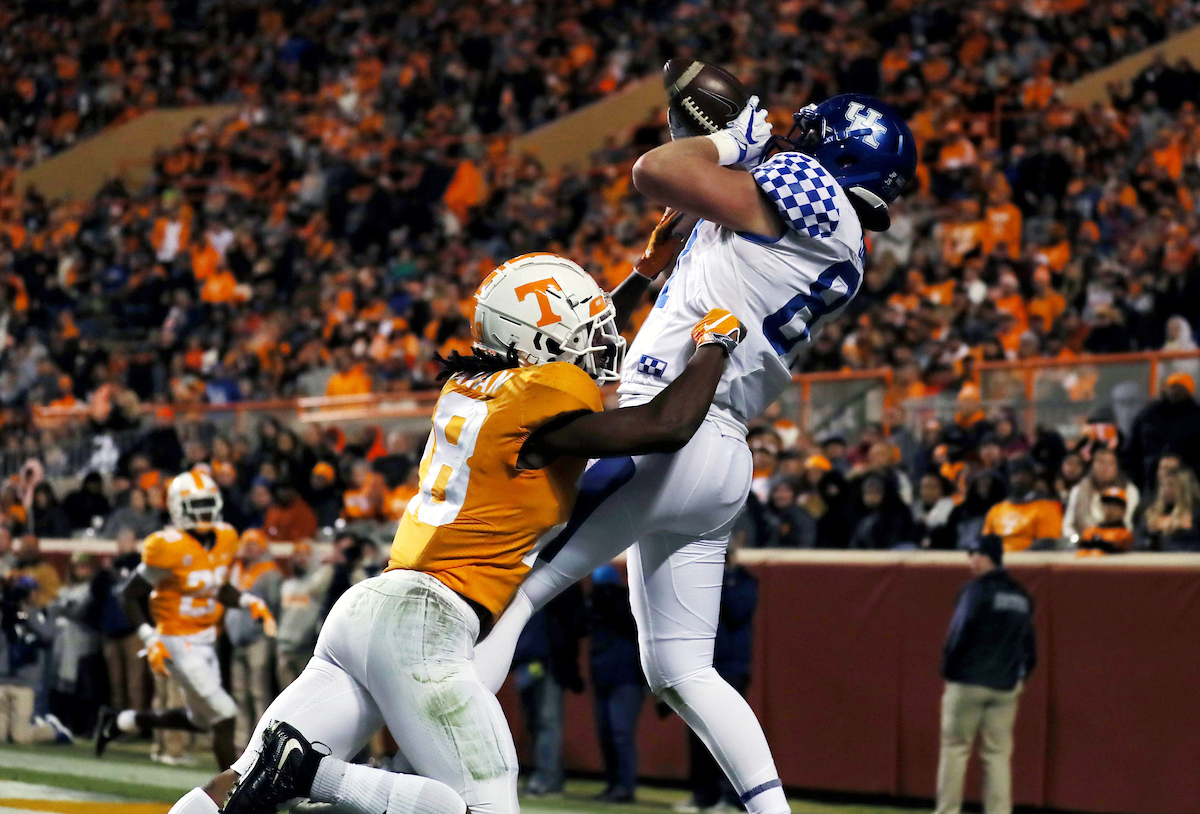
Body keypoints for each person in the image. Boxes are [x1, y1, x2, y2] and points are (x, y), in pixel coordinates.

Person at [168, 252, 747, 814]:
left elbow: (564, 351)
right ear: (540, 348)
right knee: (478, 807)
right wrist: (715, 343)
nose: (599, 341)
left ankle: (302, 773)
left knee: (239, 784)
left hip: (369, 609)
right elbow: (666, 425)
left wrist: (643, 273)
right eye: (585, 332)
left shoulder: (473, 388)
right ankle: (310, 772)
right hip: (426, 620)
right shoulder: (539, 405)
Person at [475, 94, 916, 814]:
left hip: (667, 432)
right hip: (722, 454)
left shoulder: (813, 194)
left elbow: (654, 169)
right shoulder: (835, 245)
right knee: (683, 669)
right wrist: (651, 268)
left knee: (516, 592)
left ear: (839, 154)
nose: (794, 143)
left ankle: (463, 789)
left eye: (811, 135)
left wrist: (730, 143)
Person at [94, 472, 277, 771]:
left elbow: (217, 587)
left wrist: (248, 602)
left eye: (207, 504)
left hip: (206, 639)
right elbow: (129, 594)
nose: (203, 512)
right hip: (176, 639)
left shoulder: (226, 538)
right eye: (196, 505)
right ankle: (232, 788)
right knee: (225, 713)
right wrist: (149, 637)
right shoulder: (167, 546)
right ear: (178, 507)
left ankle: (120, 721)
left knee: (201, 720)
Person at [935, 535, 1037, 814]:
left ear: (990, 556)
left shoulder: (975, 591)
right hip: (1005, 686)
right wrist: (1019, 678)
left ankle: (947, 811)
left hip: (968, 682)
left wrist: (948, 670)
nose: (972, 559)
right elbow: (1029, 646)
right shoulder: (1020, 594)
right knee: (997, 755)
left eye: (976, 553)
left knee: (955, 749)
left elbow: (958, 633)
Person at [677, 545, 759, 814]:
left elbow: (737, 611)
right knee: (699, 734)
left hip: (731, 668)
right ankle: (704, 796)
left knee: (728, 736)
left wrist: (727, 576)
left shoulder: (745, 582)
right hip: (702, 666)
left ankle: (731, 798)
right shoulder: (701, 581)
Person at [511, 585, 584, 797]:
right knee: (535, 723)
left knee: (546, 722)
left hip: (549, 662)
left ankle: (546, 779)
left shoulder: (560, 584)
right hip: (526, 662)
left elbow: (574, 622)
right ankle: (548, 777)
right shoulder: (525, 581)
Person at [587, 566, 645, 803]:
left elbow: (630, 625)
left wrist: (612, 599)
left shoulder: (627, 602)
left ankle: (625, 787)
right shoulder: (594, 605)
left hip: (626, 677)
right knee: (606, 734)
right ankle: (613, 784)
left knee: (621, 733)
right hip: (603, 677)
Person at [225, 528, 282, 745]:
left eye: (253, 544)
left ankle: (261, 743)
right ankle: (241, 743)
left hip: (258, 639)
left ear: (262, 547)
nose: (248, 548)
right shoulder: (235, 569)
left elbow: (275, 606)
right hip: (237, 640)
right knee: (239, 694)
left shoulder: (269, 572)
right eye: (246, 543)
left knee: (259, 693)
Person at [1124, 372, 1200, 490]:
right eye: (1173, 386)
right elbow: (1131, 453)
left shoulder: (1196, 416)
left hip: (1191, 487)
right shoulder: (1148, 416)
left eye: (1181, 387)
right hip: (1150, 485)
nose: (1175, 390)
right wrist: (1139, 483)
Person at [981, 460, 1062, 552]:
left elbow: (1047, 542)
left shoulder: (1047, 507)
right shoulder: (997, 510)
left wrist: (1020, 556)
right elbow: (986, 540)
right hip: (999, 557)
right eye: (1014, 476)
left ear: (1033, 479)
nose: (1018, 479)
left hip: (1029, 559)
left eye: (1023, 476)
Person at [1062, 448, 1138, 542]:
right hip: (1084, 542)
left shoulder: (1129, 491)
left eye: (1110, 463)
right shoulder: (1078, 490)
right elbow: (1067, 525)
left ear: (1117, 466)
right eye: (1101, 462)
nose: (1105, 467)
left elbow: (1129, 524)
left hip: (1119, 541)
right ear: (1093, 465)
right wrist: (1077, 538)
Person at [276, 542, 324, 688]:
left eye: (305, 555)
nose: (300, 559)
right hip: (284, 647)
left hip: (306, 648)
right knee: (285, 693)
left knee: (308, 692)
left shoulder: (318, 585)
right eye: (297, 554)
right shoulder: (286, 585)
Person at [1136, 462, 1200, 551]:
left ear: (1184, 488)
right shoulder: (1152, 510)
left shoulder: (1196, 511)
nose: (1165, 490)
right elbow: (1140, 539)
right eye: (1163, 485)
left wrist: (1173, 524)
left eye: (1171, 485)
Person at [1076, 488, 1136, 555]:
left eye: (1115, 505)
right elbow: (1082, 543)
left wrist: (1100, 542)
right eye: (1106, 504)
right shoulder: (1090, 530)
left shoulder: (1125, 534)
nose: (1109, 508)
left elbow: (1117, 546)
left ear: (1124, 510)